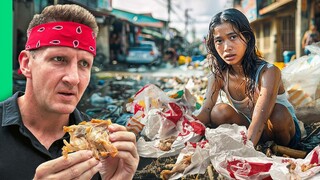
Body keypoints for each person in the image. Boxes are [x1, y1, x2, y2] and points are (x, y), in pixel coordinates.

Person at [0, 4, 139, 180]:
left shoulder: (105, 150)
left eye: (84, 64)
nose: (74, 78)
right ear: (26, 64)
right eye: (59, 59)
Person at [196, 8, 301, 148]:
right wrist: (184, 130)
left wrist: (244, 152)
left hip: (279, 131)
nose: (226, 47)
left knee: (278, 113)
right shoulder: (218, 75)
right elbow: (205, 111)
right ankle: (258, 146)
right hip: (251, 128)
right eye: (219, 41)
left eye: (233, 37)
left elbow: (260, 121)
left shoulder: (268, 72)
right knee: (218, 112)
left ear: (247, 37)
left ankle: (276, 150)